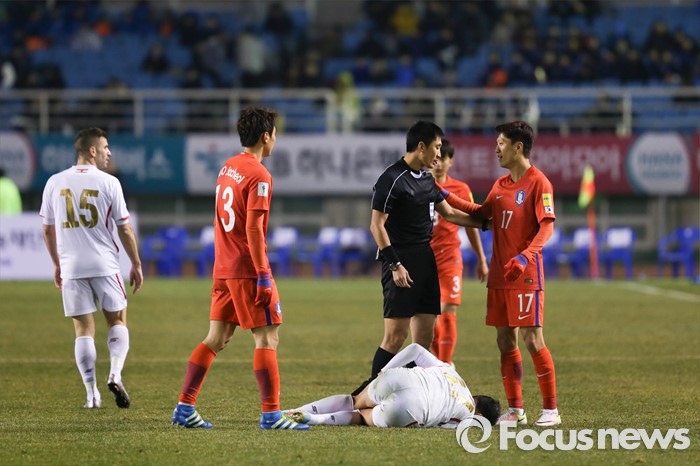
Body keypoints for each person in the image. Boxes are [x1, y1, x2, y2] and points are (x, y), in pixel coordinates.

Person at [171, 106, 308, 430]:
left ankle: (185, 407)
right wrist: (263, 274)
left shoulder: (228, 167)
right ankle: (271, 414)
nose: (276, 139)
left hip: (223, 266)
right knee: (268, 338)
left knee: (216, 338)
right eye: (275, 134)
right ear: (266, 136)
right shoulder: (260, 175)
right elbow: (254, 229)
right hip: (247, 268)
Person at [439, 121, 561, 427]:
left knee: (532, 339)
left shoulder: (539, 183)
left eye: (501, 143)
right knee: (505, 341)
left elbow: (547, 227)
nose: (496, 149)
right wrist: (442, 194)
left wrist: (524, 256)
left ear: (518, 147)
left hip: (526, 274)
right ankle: (516, 409)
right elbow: (480, 213)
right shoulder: (501, 185)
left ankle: (551, 410)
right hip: (499, 276)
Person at [355, 120, 484, 395]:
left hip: (427, 260)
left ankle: (409, 392)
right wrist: (395, 264)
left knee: (424, 339)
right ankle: (372, 393)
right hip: (400, 261)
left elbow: (451, 213)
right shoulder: (391, 178)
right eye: (436, 147)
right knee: (395, 336)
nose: (438, 154)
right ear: (421, 146)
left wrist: (486, 223)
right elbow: (376, 226)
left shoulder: (427, 180)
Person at [39, 127, 143, 409]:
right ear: (93, 151)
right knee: (117, 321)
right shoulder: (110, 183)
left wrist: (57, 264)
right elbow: (125, 228)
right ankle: (115, 373)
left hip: (72, 267)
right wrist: (135, 263)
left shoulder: (54, 182)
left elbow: (47, 230)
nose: (109, 152)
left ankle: (91, 394)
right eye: (106, 147)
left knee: (83, 329)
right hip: (104, 264)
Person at [286, 343, 500, 428]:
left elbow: (415, 349)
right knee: (361, 417)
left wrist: (384, 370)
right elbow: (444, 426)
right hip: (412, 408)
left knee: (354, 400)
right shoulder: (466, 415)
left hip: (399, 377)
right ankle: (314, 420)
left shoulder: (452, 372)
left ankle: (292, 411)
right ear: (480, 415)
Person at [429, 139, 488, 366]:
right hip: (424, 258)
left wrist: (481, 259)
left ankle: (446, 365)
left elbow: (471, 225)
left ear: (450, 161)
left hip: (450, 257)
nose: (438, 164)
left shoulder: (461, 190)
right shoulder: (419, 186)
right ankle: (438, 362)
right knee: (429, 317)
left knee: (448, 309)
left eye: (443, 159)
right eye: (435, 159)